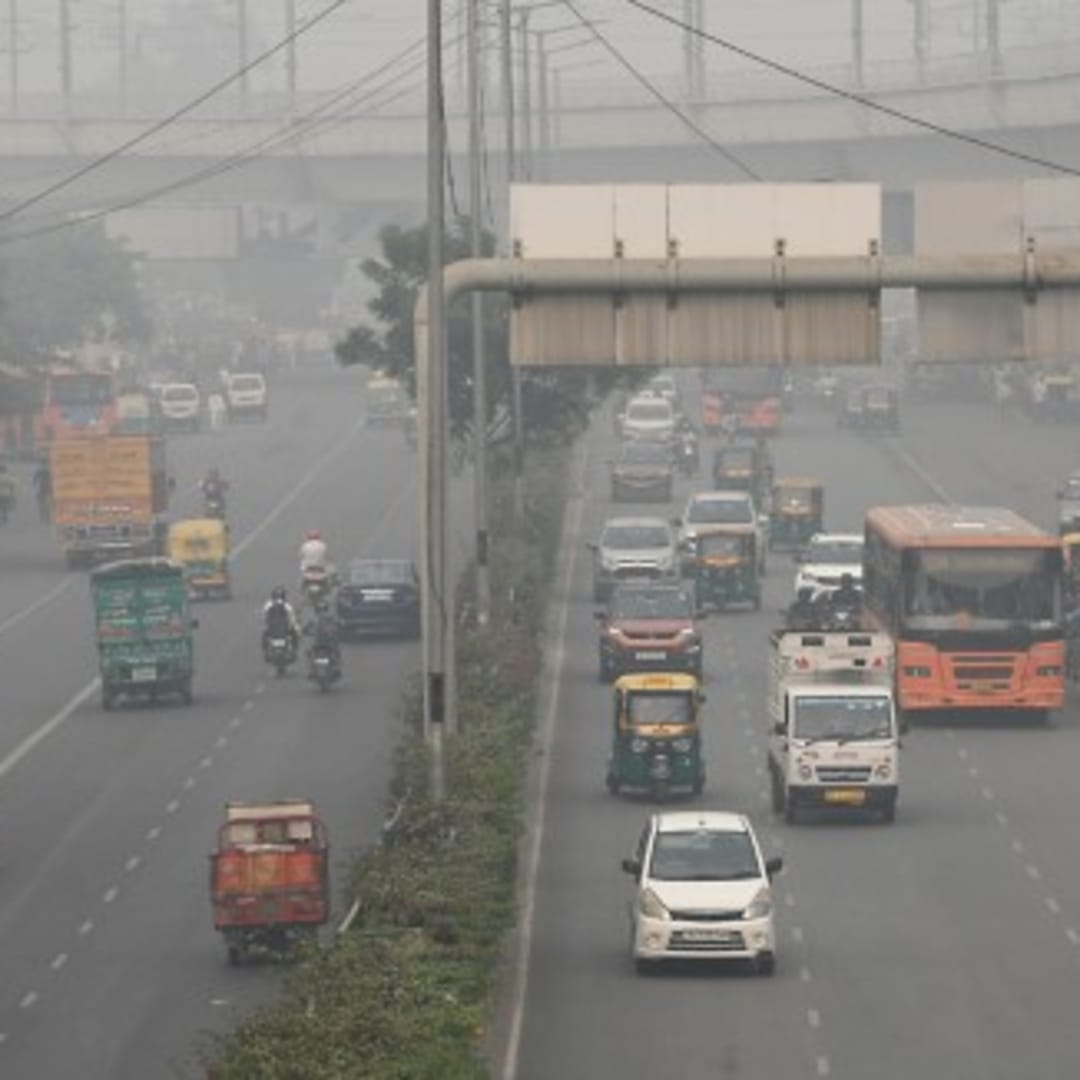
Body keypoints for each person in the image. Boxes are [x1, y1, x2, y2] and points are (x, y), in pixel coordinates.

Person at [262, 587, 300, 655]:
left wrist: (266, 625)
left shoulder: (269, 604)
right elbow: (292, 617)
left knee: (265, 635)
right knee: (295, 634)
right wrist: (294, 626)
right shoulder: (287, 605)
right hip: (284, 628)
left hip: (272, 628)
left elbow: (265, 616)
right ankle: (294, 650)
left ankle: (266, 652)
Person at [306, 600, 341, 673]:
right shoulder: (315, 618)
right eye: (320, 610)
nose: (322, 612)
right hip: (321, 642)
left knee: (335, 652)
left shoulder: (328, 617)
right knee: (310, 652)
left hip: (323, 642)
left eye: (322, 610)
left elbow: (338, 624)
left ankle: (335, 666)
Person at [31, 456, 51, 523]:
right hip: (50, 487)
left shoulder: (40, 469)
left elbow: (35, 478)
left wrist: (33, 484)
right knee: (48, 502)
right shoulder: (51, 468)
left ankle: (43, 516)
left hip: (42, 487)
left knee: (41, 502)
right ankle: (48, 516)